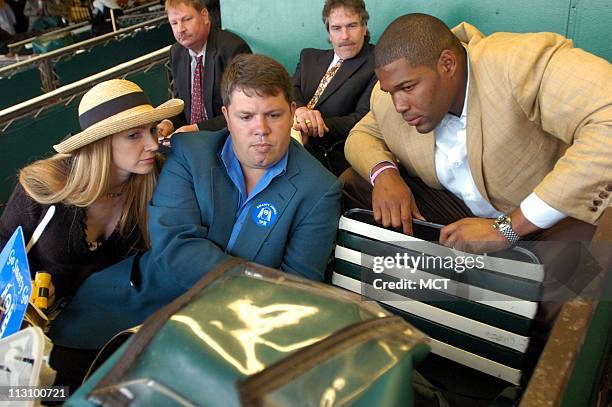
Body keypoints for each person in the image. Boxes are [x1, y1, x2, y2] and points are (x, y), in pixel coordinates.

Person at [47, 54, 343, 356]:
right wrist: (257, 279)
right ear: (226, 116)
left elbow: (297, 291)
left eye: (273, 115)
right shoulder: (190, 152)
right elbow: (174, 244)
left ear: (293, 112)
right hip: (133, 306)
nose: (261, 129)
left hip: (237, 337)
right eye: (246, 117)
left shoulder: (319, 189)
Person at [343, 13, 611, 253]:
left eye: (408, 87)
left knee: (575, 275)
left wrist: (507, 229)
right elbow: (361, 136)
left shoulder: (517, 63)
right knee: (356, 182)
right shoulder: (389, 96)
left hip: (548, 220)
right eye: (391, 92)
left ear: (447, 64)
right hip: (459, 213)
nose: (399, 105)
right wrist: (383, 174)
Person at [0, 78, 183, 392]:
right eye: (134, 135)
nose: (152, 144)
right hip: (32, 334)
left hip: (102, 327)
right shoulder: (45, 190)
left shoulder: (155, 179)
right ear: (101, 143)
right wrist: (24, 297)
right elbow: (4, 251)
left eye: (152, 130)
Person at [291, 0, 375, 175]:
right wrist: (300, 110)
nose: (344, 36)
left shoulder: (376, 63)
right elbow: (290, 90)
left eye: (352, 26)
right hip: (287, 137)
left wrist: (311, 125)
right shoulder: (309, 57)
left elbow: (362, 119)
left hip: (326, 155)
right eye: (336, 28)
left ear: (364, 27)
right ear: (329, 33)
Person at [157, 0, 251, 138]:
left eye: (187, 19)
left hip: (227, 138)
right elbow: (182, 106)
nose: (180, 29)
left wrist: (197, 129)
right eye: (174, 23)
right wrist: (168, 123)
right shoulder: (176, 52)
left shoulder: (232, 48)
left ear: (205, 16)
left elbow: (244, 111)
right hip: (191, 141)